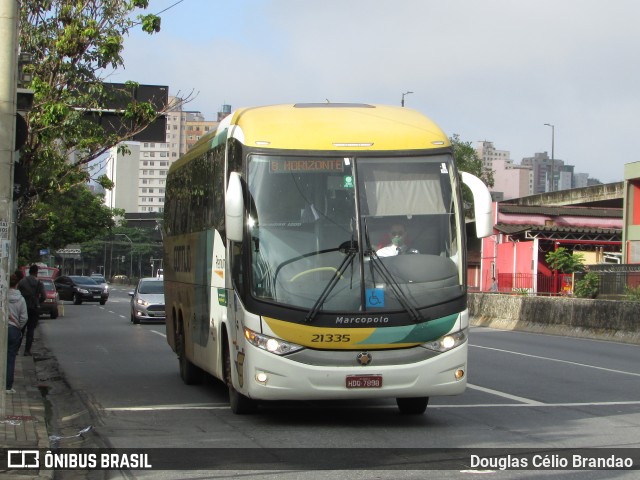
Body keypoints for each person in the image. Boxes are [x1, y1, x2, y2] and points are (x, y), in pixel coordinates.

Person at [17, 264, 46, 356]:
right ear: (36, 272)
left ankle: (17, 349)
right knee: (31, 330)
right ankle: (27, 351)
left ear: (29, 272)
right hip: (34, 308)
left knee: (21, 329)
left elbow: (18, 293)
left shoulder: (22, 281)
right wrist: (38, 302)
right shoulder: (39, 282)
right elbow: (44, 296)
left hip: (23, 307)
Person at [7, 274, 28, 393]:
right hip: (14, 329)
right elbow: (24, 317)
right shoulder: (21, 299)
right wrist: (18, 326)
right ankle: (8, 386)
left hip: (4, 328)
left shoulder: (3, 297)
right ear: (16, 284)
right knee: (10, 358)